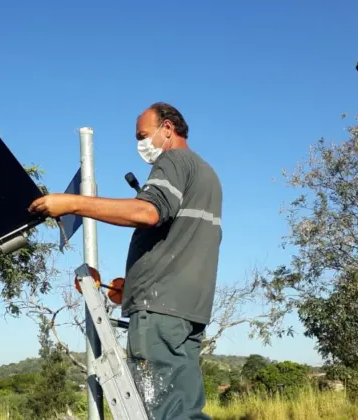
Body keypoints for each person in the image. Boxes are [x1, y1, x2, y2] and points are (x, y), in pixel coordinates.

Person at [28, 102, 223, 419]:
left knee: (164, 411)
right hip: (189, 309)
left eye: (143, 135)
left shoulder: (173, 160)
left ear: (167, 129)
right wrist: (132, 287)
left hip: (162, 309)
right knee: (185, 410)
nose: (140, 144)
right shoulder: (206, 173)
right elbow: (178, 240)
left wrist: (72, 203)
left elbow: (148, 212)